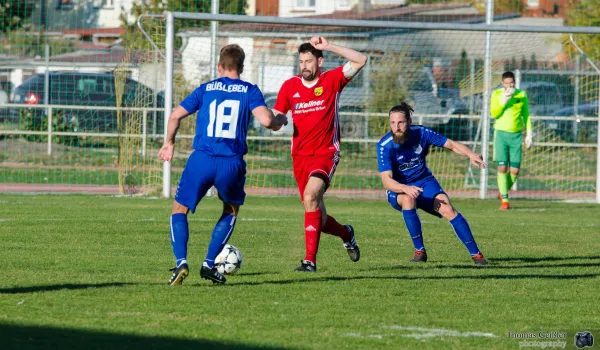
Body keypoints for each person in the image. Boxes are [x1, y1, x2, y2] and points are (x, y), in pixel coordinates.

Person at [158, 44, 287, 285]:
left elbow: (175, 115)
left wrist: (169, 143)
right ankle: (208, 264)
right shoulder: (249, 90)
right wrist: (280, 119)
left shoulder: (206, 89)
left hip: (202, 159)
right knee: (230, 209)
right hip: (231, 163)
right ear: (242, 67)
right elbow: (267, 120)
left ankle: (181, 262)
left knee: (179, 209)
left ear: (219, 66)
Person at [273, 36, 368, 272]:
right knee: (318, 216)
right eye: (301, 61)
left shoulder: (332, 80)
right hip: (300, 158)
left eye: (309, 61)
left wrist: (330, 45)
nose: (304, 65)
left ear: (320, 61)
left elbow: (361, 60)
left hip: (326, 153)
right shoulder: (289, 87)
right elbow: (276, 116)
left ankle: (309, 261)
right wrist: (271, 120)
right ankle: (346, 233)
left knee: (311, 195)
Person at [377, 102, 488, 265]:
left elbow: (451, 144)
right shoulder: (384, 146)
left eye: (400, 122)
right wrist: (405, 188)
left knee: (448, 208)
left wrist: (470, 154)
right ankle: (419, 251)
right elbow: (387, 181)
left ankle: (476, 255)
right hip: (399, 188)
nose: (397, 127)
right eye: (393, 123)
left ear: (409, 121)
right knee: (408, 199)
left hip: (424, 182)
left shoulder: (421, 133)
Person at [490, 71, 532, 210]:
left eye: (512, 83)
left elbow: (526, 115)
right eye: (507, 83)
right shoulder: (496, 94)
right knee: (502, 167)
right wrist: (504, 100)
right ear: (502, 83)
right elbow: (494, 113)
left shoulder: (521, 95)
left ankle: (502, 192)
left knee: (515, 171)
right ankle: (505, 201)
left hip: (516, 136)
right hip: (501, 135)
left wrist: (529, 134)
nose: (510, 85)